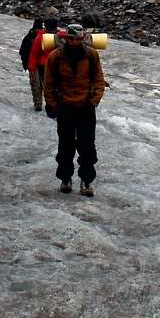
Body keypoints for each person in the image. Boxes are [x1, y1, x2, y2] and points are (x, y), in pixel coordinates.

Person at [44, 23, 105, 197]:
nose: (73, 42)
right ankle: (66, 178)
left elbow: (99, 80)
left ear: (82, 38)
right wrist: (54, 105)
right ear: (65, 38)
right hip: (65, 109)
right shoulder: (55, 57)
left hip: (86, 108)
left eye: (77, 39)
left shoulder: (91, 55)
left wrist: (93, 101)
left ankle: (86, 181)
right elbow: (48, 85)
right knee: (65, 147)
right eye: (71, 39)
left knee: (87, 147)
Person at [25, 17, 59, 111]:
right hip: (41, 66)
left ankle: (51, 105)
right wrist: (32, 68)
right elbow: (34, 54)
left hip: (52, 66)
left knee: (52, 87)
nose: (51, 31)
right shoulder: (40, 38)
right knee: (37, 86)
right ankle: (38, 105)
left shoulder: (58, 36)